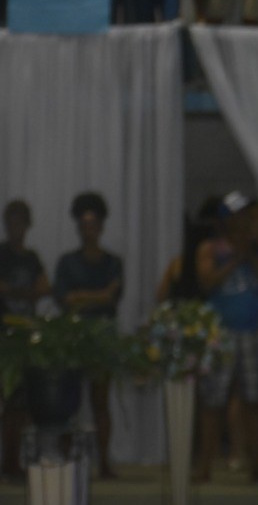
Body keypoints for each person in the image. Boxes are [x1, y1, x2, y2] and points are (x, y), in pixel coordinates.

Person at [195, 193, 258, 483]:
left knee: (256, 401)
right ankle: (204, 466)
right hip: (221, 334)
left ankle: (256, 464)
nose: (244, 220)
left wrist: (252, 254)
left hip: (254, 333)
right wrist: (234, 260)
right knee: (212, 402)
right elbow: (206, 282)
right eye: (238, 215)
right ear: (226, 219)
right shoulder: (210, 248)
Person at [53, 192, 123, 479]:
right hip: (73, 339)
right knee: (69, 404)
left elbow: (113, 298)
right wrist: (97, 295)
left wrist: (82, 296)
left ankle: (104, 461)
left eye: (93, 224)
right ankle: (68, 459)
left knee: (100, 402)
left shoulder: (113, 262)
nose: (88, 230)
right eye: (84, 225)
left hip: (103, 339)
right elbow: (64, 299)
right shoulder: (67, 262)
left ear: (102, 226)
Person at [0, 199, 48, 478]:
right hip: (4, 336)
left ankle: (13, 461)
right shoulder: (1, 254)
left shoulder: (31, 257)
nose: (15, 227)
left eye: (19, 222)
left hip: (25, 336)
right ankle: (8, 461)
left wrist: (14, 291)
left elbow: (45, 287)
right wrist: (26, 291)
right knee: (8, 401)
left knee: (20, 403)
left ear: (27, 225)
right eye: (10, 222)